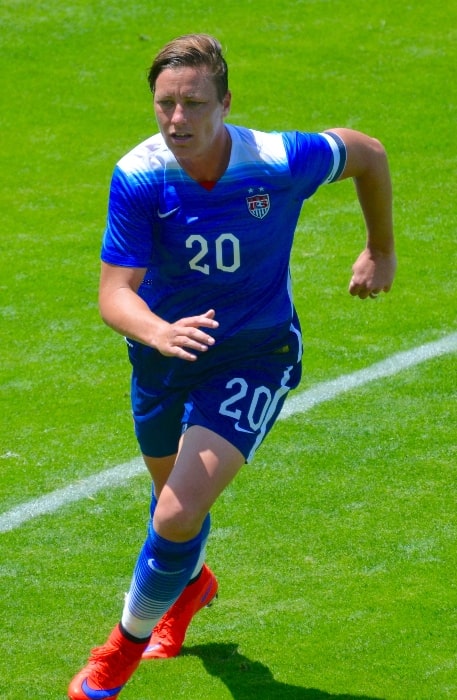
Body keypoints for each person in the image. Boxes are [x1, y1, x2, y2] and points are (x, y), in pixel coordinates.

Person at [68, 33, 396, 699]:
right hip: (166, 355)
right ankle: (192, 586)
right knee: (171, 505)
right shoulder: (139, 175)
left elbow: (367, 153)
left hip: (255, 353)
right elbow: (113, 294)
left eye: (192, 103)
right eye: (165, 104)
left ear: (225, 102)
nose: (177, 119)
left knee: (174, 514)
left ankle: (118, 652)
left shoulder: (276, 159)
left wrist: (379, 249)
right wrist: (159, 332)